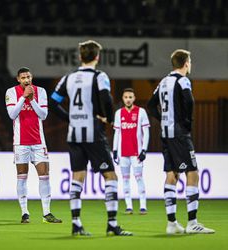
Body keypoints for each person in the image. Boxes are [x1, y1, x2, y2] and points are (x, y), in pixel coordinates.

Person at [50, 40, 132, 236]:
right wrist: (110, 118)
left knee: (77, 177)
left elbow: (53, 102)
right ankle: (112, 224)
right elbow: (106, 99)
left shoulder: (68, 77)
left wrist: (69, 118)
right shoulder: (99, 76)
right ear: (97, 57)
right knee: (110, 176)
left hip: (74, 134)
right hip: (93, 133)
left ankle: (76, 223)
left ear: (80, 57)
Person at [148, 49, 215, 234]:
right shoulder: (183, 80)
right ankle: (192, 223)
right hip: (179, 134)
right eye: (190, 61)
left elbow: (150, 105)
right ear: (186, 63)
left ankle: (171, 224)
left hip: (165, 134)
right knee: (192, 173)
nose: (190, 64)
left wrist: (162, 120)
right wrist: (187, 122)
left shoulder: (163, 82)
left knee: (172, 174)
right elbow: (189, 100)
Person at [5, 67, 62, 224]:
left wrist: (32, 100)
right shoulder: (11, 92)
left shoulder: (41, 91)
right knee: (22, 177)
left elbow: (43, 115)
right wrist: (23, 97)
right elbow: (12, 114)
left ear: (32, 77)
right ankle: (25, 213)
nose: (26, 80)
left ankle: (47, 213)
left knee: (44, 176)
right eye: (23, 78)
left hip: (38, 142)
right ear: (18, 79)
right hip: (20, 143)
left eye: (28, 77)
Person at [113, 88, 150, 215]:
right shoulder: (119, 113)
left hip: (136, 152)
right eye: (126, 97)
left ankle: (143, 205)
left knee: (139, 178)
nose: (128, 99)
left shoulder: (141, 112)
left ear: (134, 98)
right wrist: (115, 150)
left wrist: (144, 150)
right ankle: (128, 206)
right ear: (123, 99)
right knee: (125, 179)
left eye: (130, 97)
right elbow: (117, 133)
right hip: (123, 153)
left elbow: (146, 132)